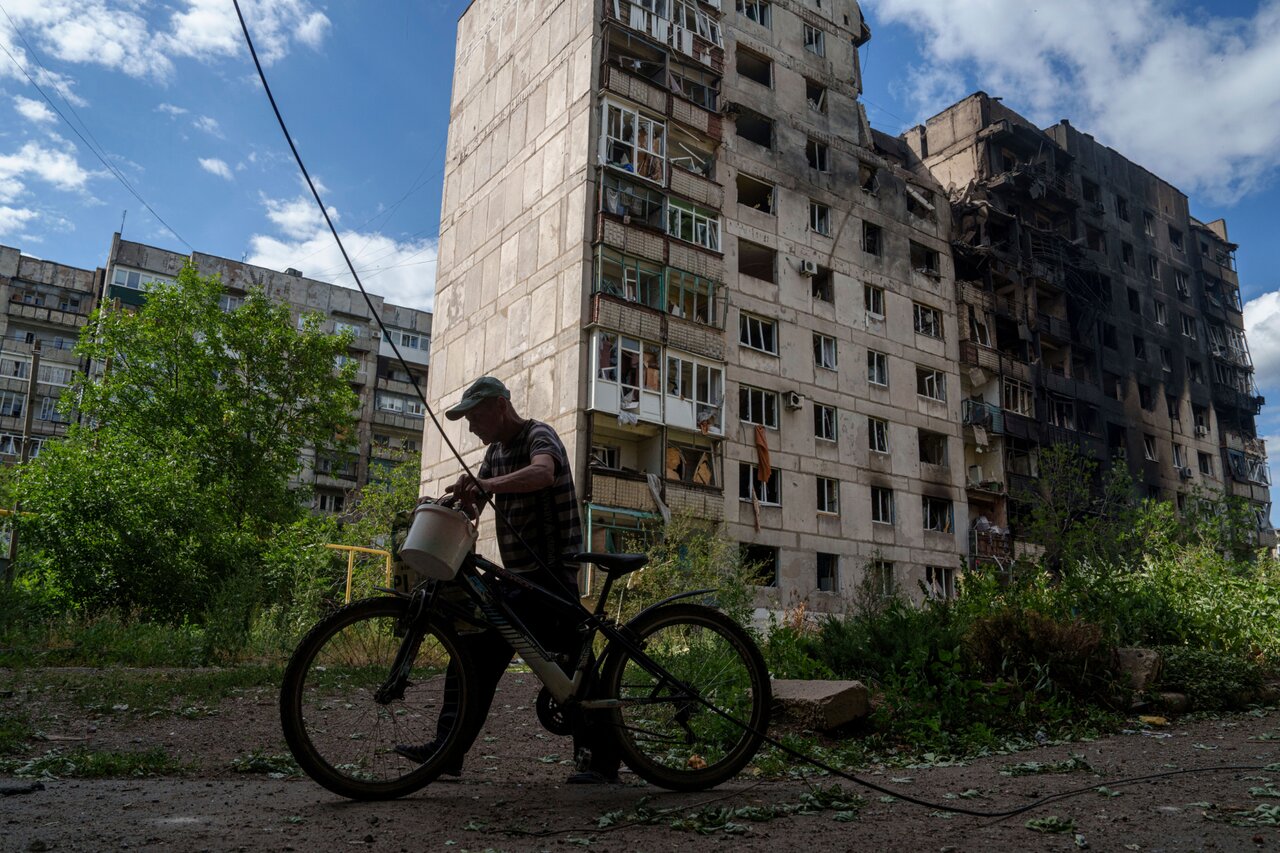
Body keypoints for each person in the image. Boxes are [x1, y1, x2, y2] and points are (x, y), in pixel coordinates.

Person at [394, 376, 621, 784]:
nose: (470, 425)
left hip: (552, 575)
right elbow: (478, 497)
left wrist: (488, 485)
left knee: (573, 667)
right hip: (521, 579)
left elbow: (542, 474)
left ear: (500, 406)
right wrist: (453, 501)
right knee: (475, 655)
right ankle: (448, 751)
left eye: (474, 415)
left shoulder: (539, 435)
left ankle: (601, 763)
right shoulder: (495, 453)